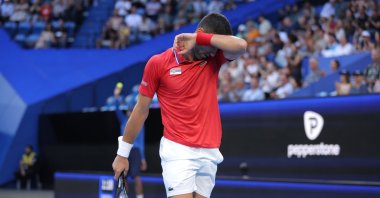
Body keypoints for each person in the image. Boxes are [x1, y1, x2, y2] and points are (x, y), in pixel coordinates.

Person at [112, 13, 247, 198]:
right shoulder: (158, 63)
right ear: (200, 32)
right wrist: (122, 154)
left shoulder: (213, 57)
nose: (213, 53)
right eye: (211, 47)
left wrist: (199, 39)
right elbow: (141, 110)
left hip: (210, 151)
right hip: (178, 151)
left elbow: (241, 45)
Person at [115, 106, 147, 198]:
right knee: (123, 176)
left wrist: (143, 158)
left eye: (131, 111)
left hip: (135, 151)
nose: (129, 112)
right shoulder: (123, 120)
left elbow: (141, 140)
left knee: (136, 175)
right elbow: (117, 110)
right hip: (123, 152)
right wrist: (116, 98)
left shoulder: (139, 123)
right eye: (128, 111)